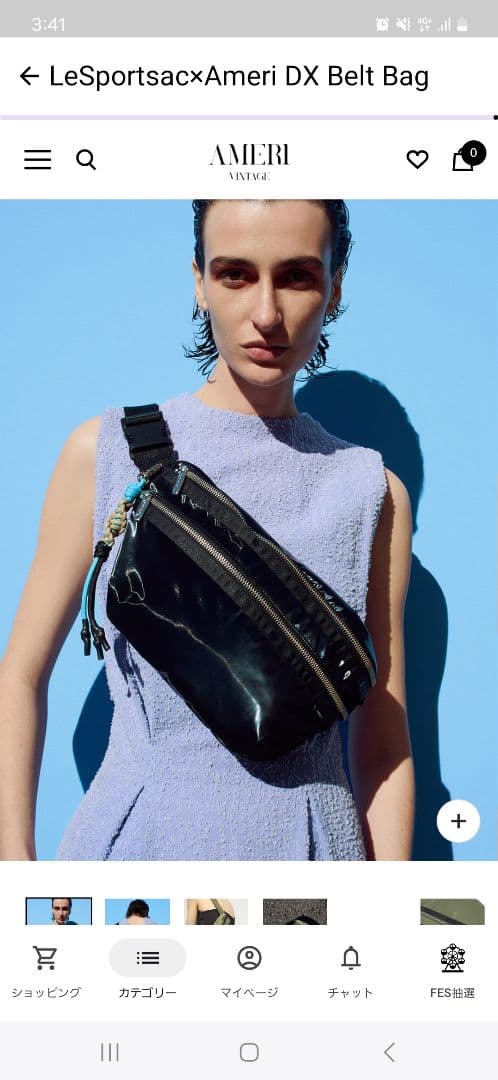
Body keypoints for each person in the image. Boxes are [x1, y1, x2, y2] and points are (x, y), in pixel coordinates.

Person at [0, 199, 414, 861]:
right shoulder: (109, 452)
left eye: (297, 276)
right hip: (138, 849)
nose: (267, 313)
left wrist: (392, 903)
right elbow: (20, 674)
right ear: (199, 280)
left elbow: (384, 740)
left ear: (334, 287)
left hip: (312, 856)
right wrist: (13, 865)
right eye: (235, 274)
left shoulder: (372, 491)